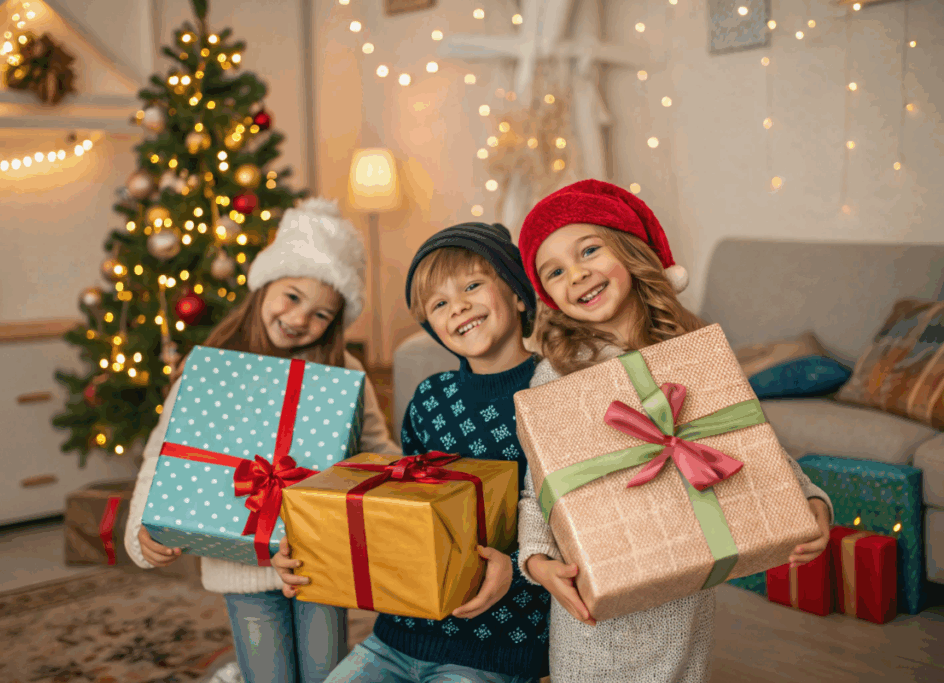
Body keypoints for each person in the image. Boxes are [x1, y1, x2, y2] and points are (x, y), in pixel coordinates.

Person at [515, 179, 834, 683]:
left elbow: (743, 437)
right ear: (548, 296)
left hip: (686, 606)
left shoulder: (692, 346)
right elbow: (542, 489)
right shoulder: (558, 373)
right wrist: (537, 561)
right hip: (595, 624)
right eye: (554, 271)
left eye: (590, 250)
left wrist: (810, 498)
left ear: (630, 251)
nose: (576, 274)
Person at [123, 198, 400, 683]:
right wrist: (140, 530)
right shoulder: (210, 364)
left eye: (321, 314)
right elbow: (165, 454)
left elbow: (379, 450)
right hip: (240, 568)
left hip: (317, 559)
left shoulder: (343, 370)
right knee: (269, 675)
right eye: (291, 296)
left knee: (325, 673)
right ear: (265, 285)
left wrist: (410, 487)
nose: (300, 318)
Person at [279, 223, 550, 683]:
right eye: (439, 304)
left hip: (496, 646)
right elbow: (399, 508)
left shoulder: (554, 390)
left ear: (519, 295)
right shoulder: (430, 398)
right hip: (397, 635)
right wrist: (313, 546)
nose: (457, 306)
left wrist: (517, 566)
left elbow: (573, 520)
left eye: (472, 286)